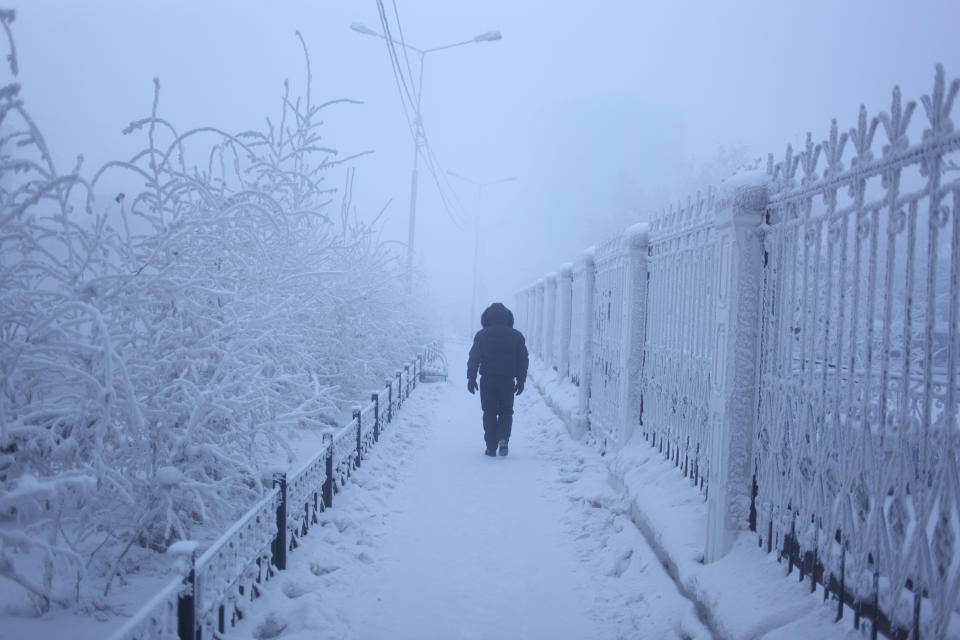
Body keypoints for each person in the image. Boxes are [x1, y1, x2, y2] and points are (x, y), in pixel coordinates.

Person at [466, 302, 529, 457]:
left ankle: (491, 447)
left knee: (489, 412)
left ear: (487, 318)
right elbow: (523, 360)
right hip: (507, 380)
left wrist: (471, 378)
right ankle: (503, 439)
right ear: (507, 318)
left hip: (487, 380)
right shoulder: (517, 336)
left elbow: (474, 358)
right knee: (506, 411)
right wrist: (521, 380)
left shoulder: (481, 335)